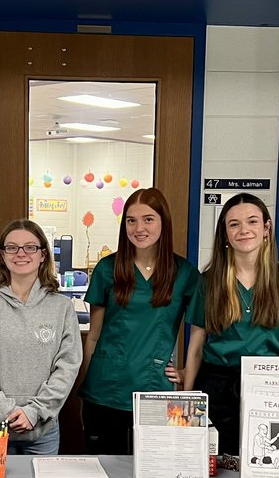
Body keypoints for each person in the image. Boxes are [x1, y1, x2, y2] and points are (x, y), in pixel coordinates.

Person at [181, 193, 279, 456]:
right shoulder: (208, 283)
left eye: (252, 222)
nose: (244, 230)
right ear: (225, 234)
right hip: (216, 387)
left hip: (269, 389)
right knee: (215, 465)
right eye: (234, 224)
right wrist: (187, 403)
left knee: (264, 462)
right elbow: (195, 348)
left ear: (266, 229)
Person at [79, 187, 199, 454]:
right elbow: (94, 335)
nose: (138, 228)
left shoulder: (184, 273)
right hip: (105, 390)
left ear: (163, 222)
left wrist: (186, 377)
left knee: (157, 471)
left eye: (148, 219)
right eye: (131, 220)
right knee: (103, 472)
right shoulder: (108, 269)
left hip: (156, 390)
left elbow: (199, 335)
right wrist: (86, 385)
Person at [0, 220, 82, 455]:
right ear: (3, 255)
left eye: (30, 247)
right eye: (12, 247)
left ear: (43, 255)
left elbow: (67, 367)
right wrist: (5, 412)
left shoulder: (62, 308)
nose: (21, 254)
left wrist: (34, 412)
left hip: (43, 429)